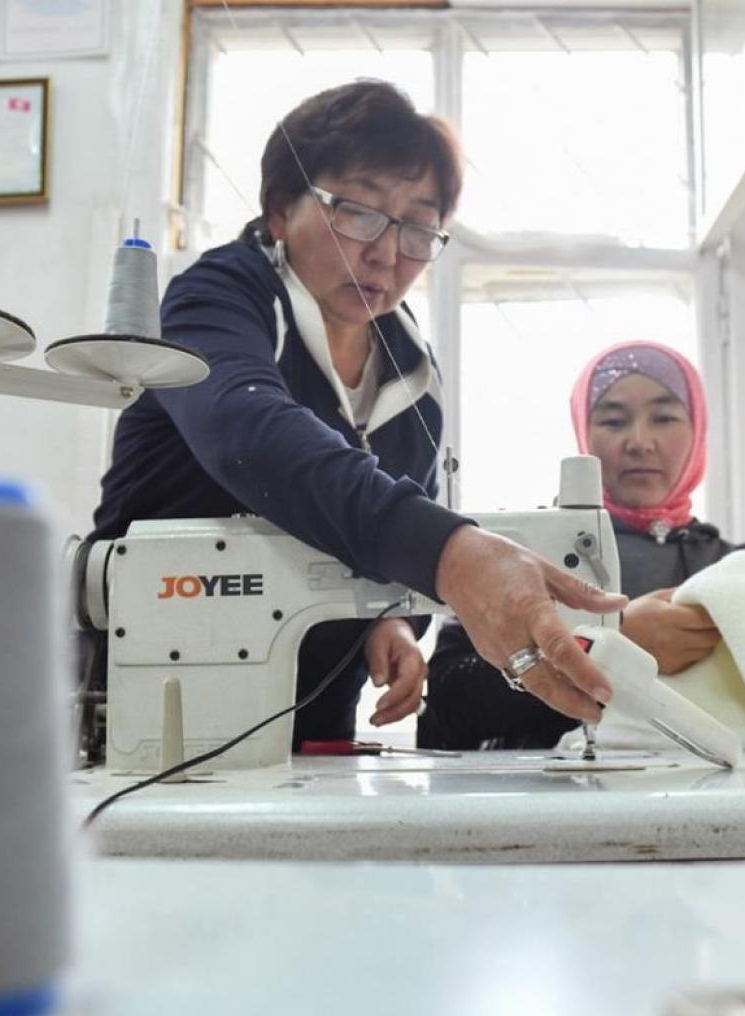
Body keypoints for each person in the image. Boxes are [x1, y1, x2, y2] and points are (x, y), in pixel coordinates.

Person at [83, 80, 623, 753]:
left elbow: (379, 540)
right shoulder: (218, 299)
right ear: (280, 209)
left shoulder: (412, 373)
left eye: (418, 228)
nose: (387, 254)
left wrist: (386, 622)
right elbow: (250, 435)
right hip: (151, 712)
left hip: (312, 737)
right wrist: (450, 554)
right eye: (360, 212)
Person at [418, 341, 745, 750]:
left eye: (665, 418)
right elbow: (446, 709)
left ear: (698, 429)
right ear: (583, 430)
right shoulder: (526, 554)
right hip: (544, 789)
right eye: (614, 421)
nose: (640, 442)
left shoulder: (739, 570)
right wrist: (618, 642)